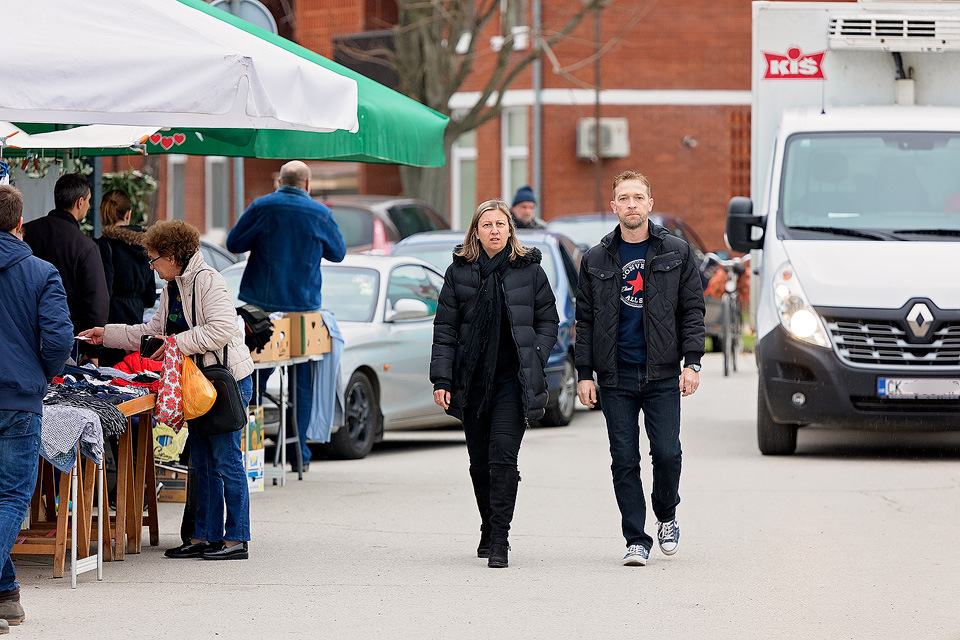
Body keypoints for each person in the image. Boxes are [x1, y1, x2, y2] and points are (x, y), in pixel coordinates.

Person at [81, 221, 255, 561]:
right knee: (201, 461)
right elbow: (152, 331)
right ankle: (204, 536)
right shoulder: (174, 285)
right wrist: (107, 335)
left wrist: (174, 344)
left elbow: (221, 329)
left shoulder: (208, 281)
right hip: (198, 384)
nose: (151, 266)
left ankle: (237, 538)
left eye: (154, 259)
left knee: (225, 458)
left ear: (174, 256)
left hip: (225, 381)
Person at [574, 170, 705, 567]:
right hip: (616, 376)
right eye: (624, 198)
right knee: (624, 459)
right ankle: (636, 538)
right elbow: (585, 319)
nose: (631, 204)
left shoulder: (676, 252)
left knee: (667, 453)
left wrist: (693, 362)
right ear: (614, 207)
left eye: (638, 197)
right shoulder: (595, 258)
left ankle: (666, 514)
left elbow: (692, 310)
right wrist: (583, 373)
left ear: (650, 204)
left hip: (663, 373)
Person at [430, 199, 559, 569]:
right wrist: (442, 377)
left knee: (503, 458)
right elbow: (445, 329)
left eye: (500, 224)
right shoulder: (459, 272)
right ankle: (487, 524)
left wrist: (535, 352)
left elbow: (549, 320)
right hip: (472, 381)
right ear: (476, 231)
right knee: (479, 464)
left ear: (510, 229)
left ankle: (500, 537)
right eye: (487, 225)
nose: (494, 230)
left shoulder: (530, 271)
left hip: (513, 380)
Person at [226, 160, 346, 472]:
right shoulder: (320, 212)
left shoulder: (262, 206)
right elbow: (338, 252)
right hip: (303, 309)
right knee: (300, 384)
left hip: (260, 310)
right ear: (307, 184)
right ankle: (299, 456)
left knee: (254, 379)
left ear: (280, 181)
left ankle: (249, 450)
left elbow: (234, 242)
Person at [0, 185, 73, 631]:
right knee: (10, 497)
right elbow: (61, 340)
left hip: (20, 393)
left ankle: (7, 596)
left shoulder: (40, 271)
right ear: (19, 224)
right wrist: (39, 375)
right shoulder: (40, 272)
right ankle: (5, 595)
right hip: (18, 399)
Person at [22, 173, 109, 365]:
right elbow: (95, 301)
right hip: (65, 338)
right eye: (88, 201)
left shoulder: (25, 233)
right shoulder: (85, 246)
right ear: (79, 202)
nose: (88, 206)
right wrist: (92, 349)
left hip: (22, 331)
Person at [96, 190, 157, 367]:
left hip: (109, 327)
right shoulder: (145, 247)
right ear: (128, 214)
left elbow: (104, 292)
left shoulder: (104, 245)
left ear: (103, 215)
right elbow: (150, 297)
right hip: (136, 325)